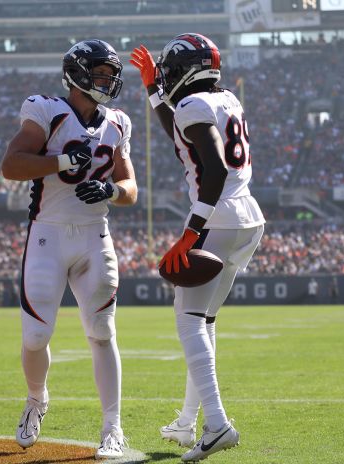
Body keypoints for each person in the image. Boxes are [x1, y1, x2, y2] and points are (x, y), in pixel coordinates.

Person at [1, 39, 138, 460]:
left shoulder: (116, 122)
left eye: (111, 74)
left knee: (102, 331)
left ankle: (112, 428)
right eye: (101, 73)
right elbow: (12, 165)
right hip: (49, 234)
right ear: (78, 74)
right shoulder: (47, 111)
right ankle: (36, 398)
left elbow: (131, 189)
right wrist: (61, 162)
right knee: (36, 334)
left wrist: (111, 188)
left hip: (95, 236)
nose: (109, 81)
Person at [130, 34, 265, 462]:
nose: (167, 77)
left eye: (169, 72)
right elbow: (181, 136)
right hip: (248, 217)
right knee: (203, 321)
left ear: (187, 70)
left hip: (218, 217)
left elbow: (215, 169)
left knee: (189, 322)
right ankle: (189, 422)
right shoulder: (225, 99)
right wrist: (153, 91)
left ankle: (217, 424)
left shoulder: (192, 105)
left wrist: (192, 230)